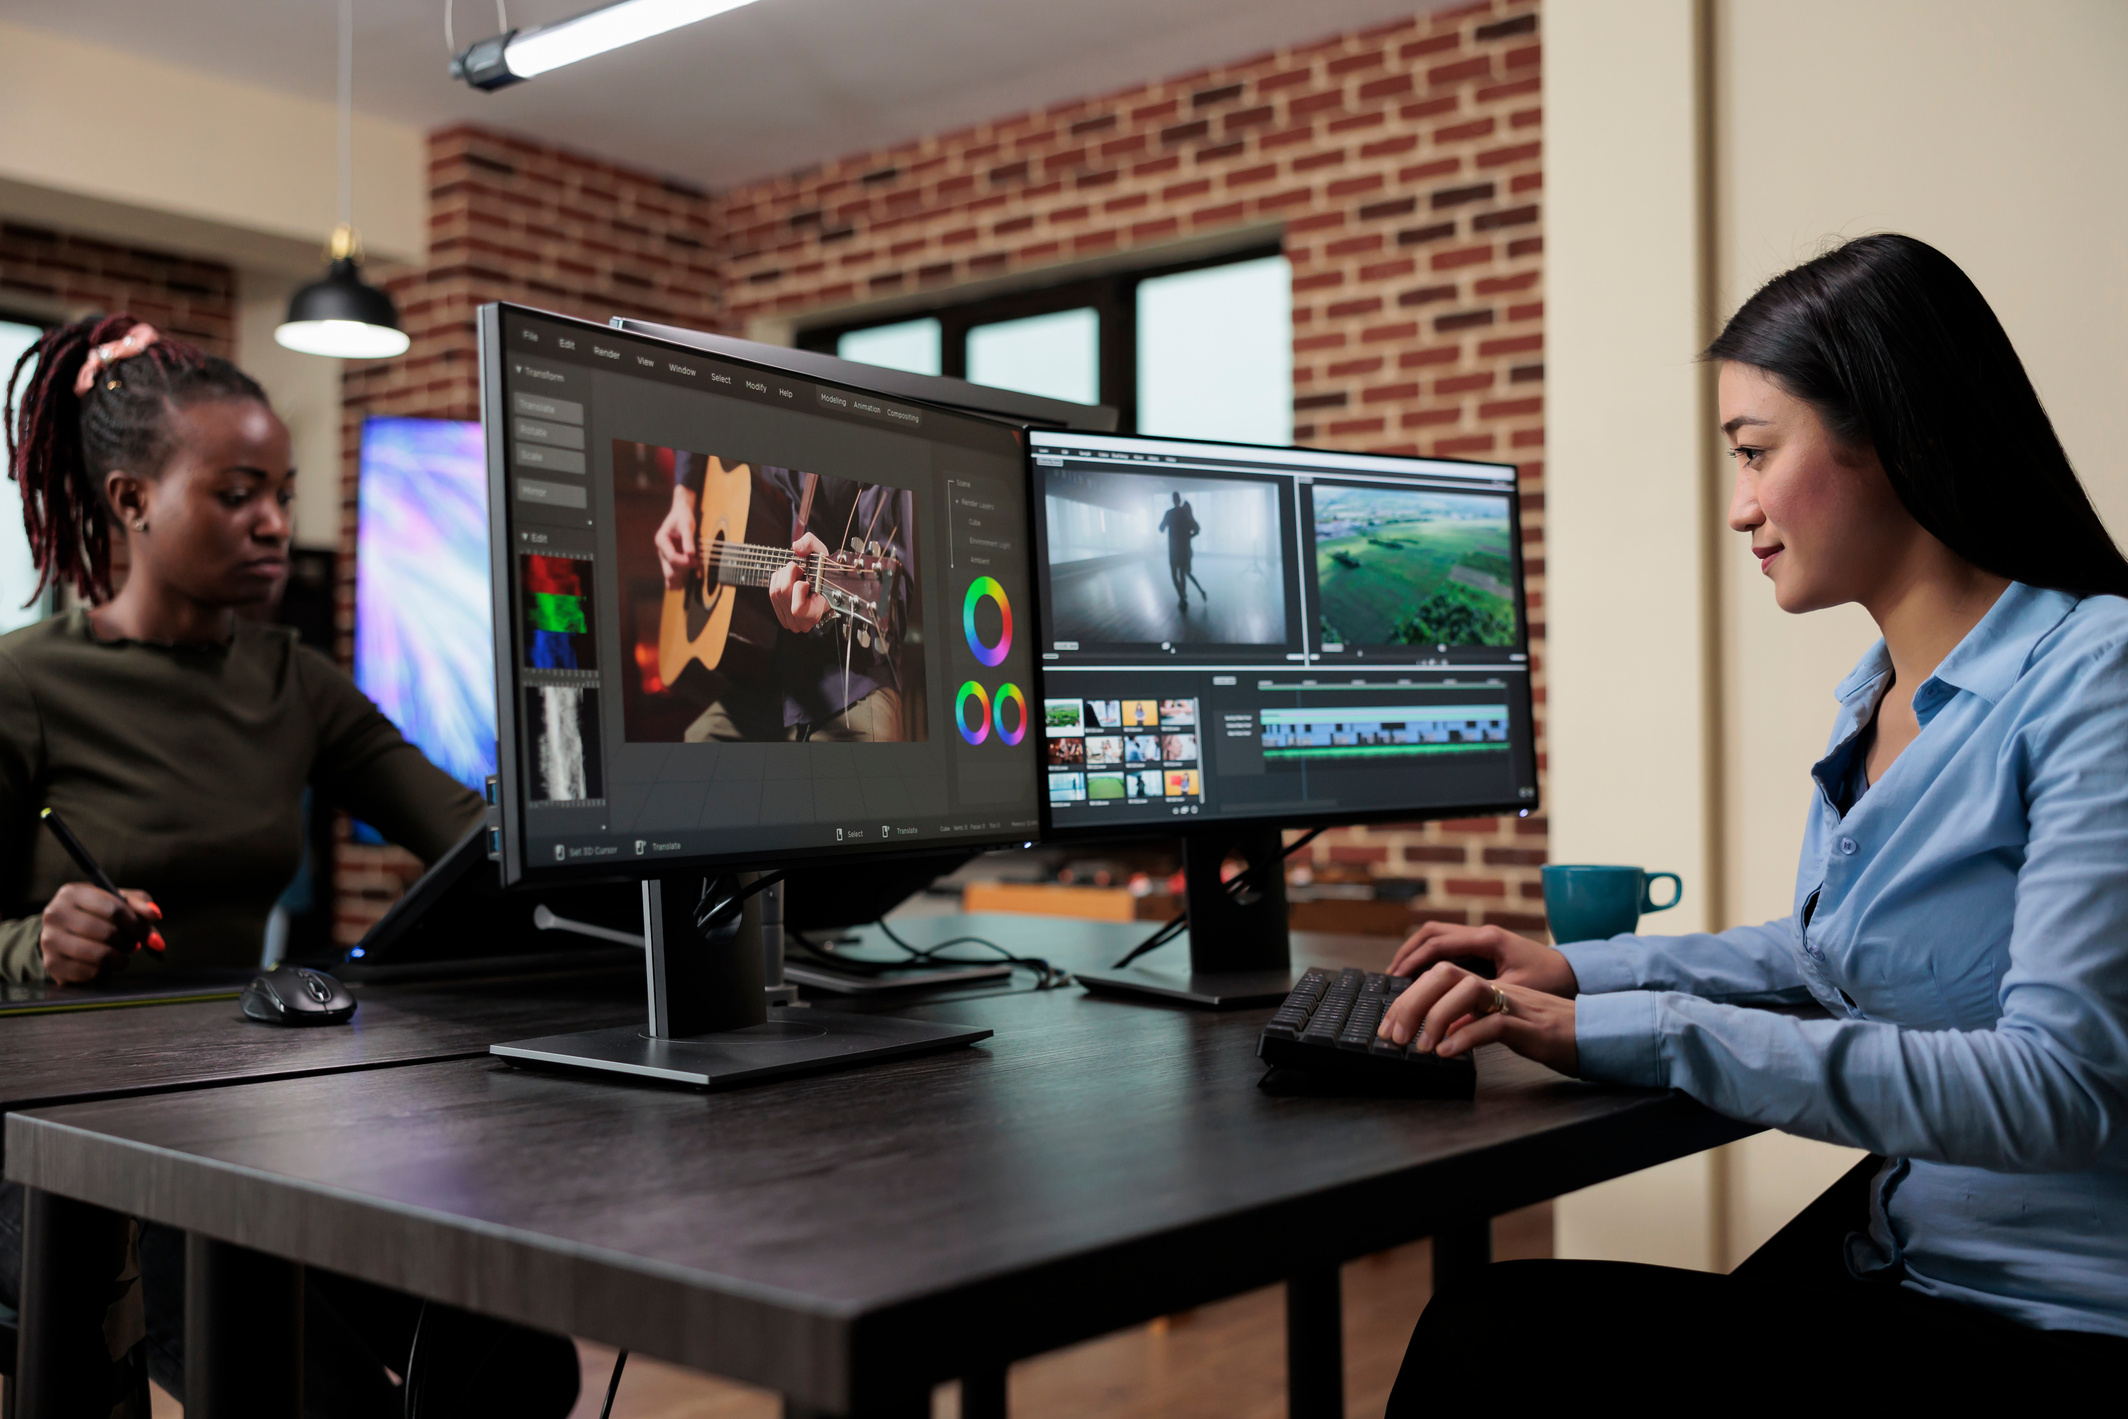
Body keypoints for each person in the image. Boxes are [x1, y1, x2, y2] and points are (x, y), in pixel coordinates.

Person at [1377, 234, 2128, 1402]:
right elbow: (1830, 956)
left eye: (1753, 454)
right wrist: (1576, 973)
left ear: (1885, 432)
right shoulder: (1878, 697)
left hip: (2054, 1319)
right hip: (1911, 1246)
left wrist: (1651, 1028)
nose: (1738, 510)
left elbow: (2059, 1090)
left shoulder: (2098, 677)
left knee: (1488, 1338)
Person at [0, 315, 579, 1416]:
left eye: (284, 492)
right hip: (54, 1126)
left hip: (231, 1093)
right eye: (236, 496)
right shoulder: (23, 686)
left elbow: (475, 841)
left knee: (515, 1360)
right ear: (131, 502)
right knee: (314, 1384)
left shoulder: (291, 680)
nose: (275, 525)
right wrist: (40, 939)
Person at [654, 453, 914, 741]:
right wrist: (683, 499)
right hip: (765, 675)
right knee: (697, 747)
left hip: (847, 679)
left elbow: (893, 596)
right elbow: (697, 415)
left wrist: (825, 602)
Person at [1158, 490, 1200, 612]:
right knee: (1182, 574)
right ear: (1180, 499)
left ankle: (1181, 597)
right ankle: (1183, 597)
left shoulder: (1169, 513)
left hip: (1173, 549)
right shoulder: (1185, 513)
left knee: (1174, 575)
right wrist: (1188, 537)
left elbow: (1161, 529)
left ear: (1172, 500)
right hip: (1184, 549)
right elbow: (1196, 529)